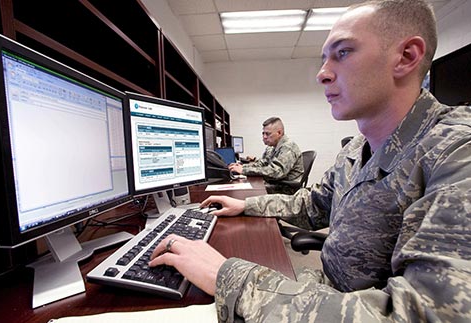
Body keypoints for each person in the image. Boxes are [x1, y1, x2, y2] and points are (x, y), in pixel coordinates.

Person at [150, 0, 471, 321]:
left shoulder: (457, 152)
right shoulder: (356, 148)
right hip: (323, 292)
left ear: (406, 57)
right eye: (323, 59)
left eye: (343, 52)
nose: (322, 74)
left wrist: (228, 276)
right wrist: (246, 206)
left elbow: (425, 315)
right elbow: (314, 205)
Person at [229, 117, 304, 194]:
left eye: (268, 134)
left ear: (279, 133)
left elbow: (275, 172)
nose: (264, 137)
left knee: (249, 190)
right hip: (277, 184)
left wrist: (244, 170)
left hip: (286, 189)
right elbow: (263, 163)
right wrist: (242, 167)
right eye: (263, 133)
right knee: (248, 186)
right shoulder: (275, 148)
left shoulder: (288, 147)